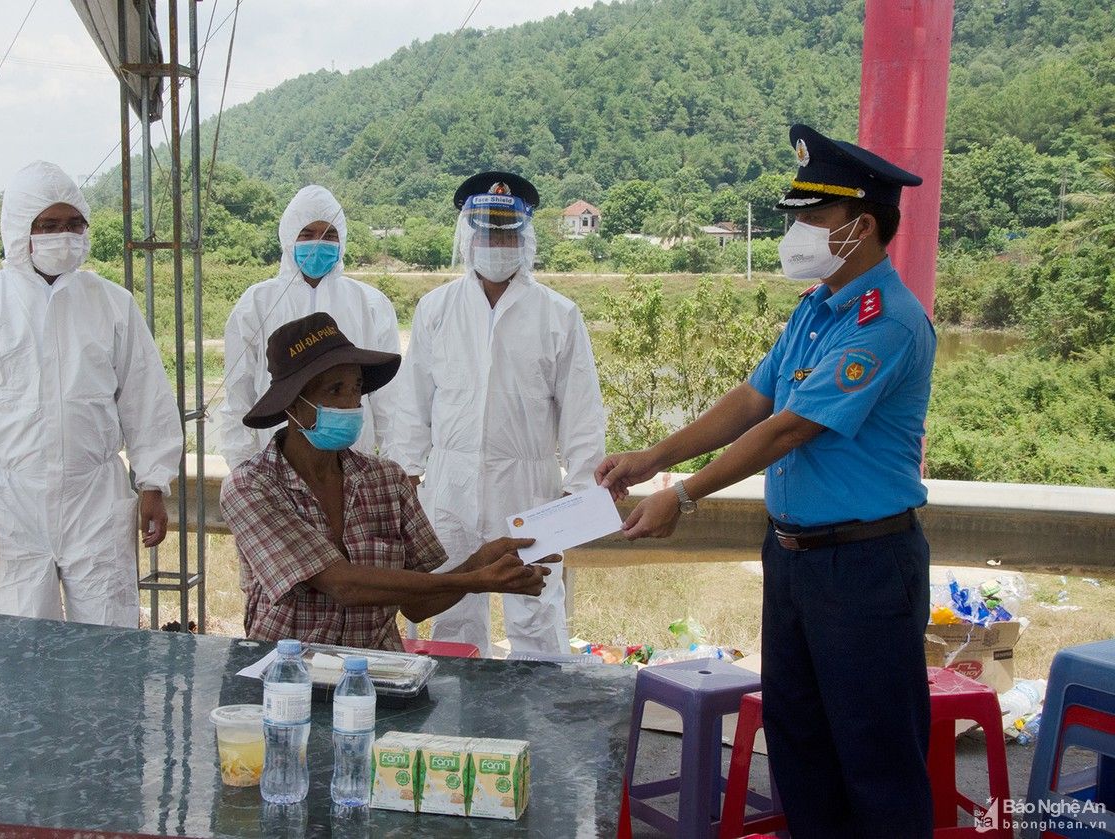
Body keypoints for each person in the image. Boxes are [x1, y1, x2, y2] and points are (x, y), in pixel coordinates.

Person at [597, 125, 935, 837]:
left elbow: (786, 429)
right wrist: (653, 457)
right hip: (794, 560)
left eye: (814, 217)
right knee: (802, 749)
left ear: (862, 226)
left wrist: (684, 495)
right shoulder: (815, 307)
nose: (798, 231)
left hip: (865, 567)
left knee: (875, 761)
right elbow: (752, 401)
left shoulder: (887, 322)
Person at [0, 161, 184, 627]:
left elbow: (146, 401)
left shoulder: (112, 303)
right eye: (48, 225)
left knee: (106, 642)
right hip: (10, 506)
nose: (64, 236)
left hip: (95, 498)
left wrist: (153, 484)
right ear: (20, 230)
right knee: (18, 646)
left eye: (73, 224)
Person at [220, 312, 556, 651]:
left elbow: (417, 603)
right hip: (287, 674)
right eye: (335, 390)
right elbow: (342, 585)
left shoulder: (386, 480)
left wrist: (481, 562)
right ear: (292, 403)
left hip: (375, 672)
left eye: (356, 390)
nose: (350, 404)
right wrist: (475, 579)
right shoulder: (251, 487)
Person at [385, 172, 606, 657]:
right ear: (469, 236)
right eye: (486, 231)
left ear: (524, 238)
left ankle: (539, 727)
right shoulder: (435, 308)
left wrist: (580, 489)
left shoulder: (557, 314)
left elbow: (582, 411)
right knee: (453, 607)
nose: (496, 243)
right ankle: (452, 728)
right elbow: (413, 403)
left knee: (537, 609)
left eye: (507, 233)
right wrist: (405, 475)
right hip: (450, 481)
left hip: (528, 484)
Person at [219, 185, 400, 471]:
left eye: (329, 235)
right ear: (289, 238)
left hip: (354, 460)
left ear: (343, 241)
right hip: (278, 465)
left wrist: (395, 464)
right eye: (307, 234)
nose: (318, 243)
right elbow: (238, 393)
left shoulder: (371, 303)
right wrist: (244, 467)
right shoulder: (257, 302)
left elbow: (390, 398)